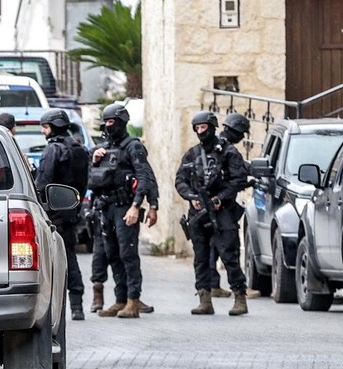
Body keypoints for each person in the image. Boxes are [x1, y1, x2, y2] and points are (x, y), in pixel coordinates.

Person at [175, 111, 250, 316]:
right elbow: (180, 180)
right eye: (197, 128)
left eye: (203, 128)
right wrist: (191, 196)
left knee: (229, 254)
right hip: (198, 212)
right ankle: (204, 299)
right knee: (201, 257)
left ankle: (239, 297)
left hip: (222, 210)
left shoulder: (228, 152)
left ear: (212, 127)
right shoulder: (192, 154)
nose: (200, 132)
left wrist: (221, 198)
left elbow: (239, 180)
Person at [90, 103, 158, 319]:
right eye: (106, 122)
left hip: (125, 207)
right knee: (112, 254)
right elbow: (94, 179)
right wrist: (95, 160)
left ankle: (133, 300)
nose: (109, 126)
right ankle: (120, 299)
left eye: (112, 122)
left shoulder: (133, 147)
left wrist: (138, 206)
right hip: (107, 207)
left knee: (128, 253)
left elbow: (145, 177)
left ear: (120, 122)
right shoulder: (104, 149)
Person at [34, 109, 89, 320]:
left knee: (51, 261)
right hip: (71, 212)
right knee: (70, 257)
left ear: (53, 126)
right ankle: (77, 305)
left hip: (53, 213)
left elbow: (42, 183)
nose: (43, 131)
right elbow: (84, 184)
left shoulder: (53, 150)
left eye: (45, 127)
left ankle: (54, 307)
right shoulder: (80, 149)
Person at [208, 112, 260, 298]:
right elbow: (236, 179)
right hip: (222, 205)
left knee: (212, 245)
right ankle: (240, 288)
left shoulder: (212, 146)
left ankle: (212, 285)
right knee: (230, 247)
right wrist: (249, 182)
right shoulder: (228, 150)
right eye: (241, 133)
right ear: (236, 131)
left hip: (209, 203)